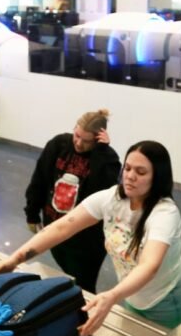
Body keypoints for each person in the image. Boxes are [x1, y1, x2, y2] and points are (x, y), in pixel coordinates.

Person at [0, 141, 181, 332]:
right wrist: (15, 259)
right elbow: (62, 227)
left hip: (165, 299)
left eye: (141, 172)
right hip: (132, 293)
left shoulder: (164, 214)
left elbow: (149, 265)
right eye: (128, 168)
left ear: (157, 177)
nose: (130, 176)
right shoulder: (113, 198)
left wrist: (112, 295)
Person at [24, 110, 121, 291]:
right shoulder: (58, 145)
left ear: (98, 139)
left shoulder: (107, 159)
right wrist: (32, 212)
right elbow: (40, 179)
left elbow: (103, 193)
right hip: (55, 228)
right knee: (68, 273)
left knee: (83, 285)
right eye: (77, 135)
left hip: (86, 240)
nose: (78, 143)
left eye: (86, 141)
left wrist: (101, 152)